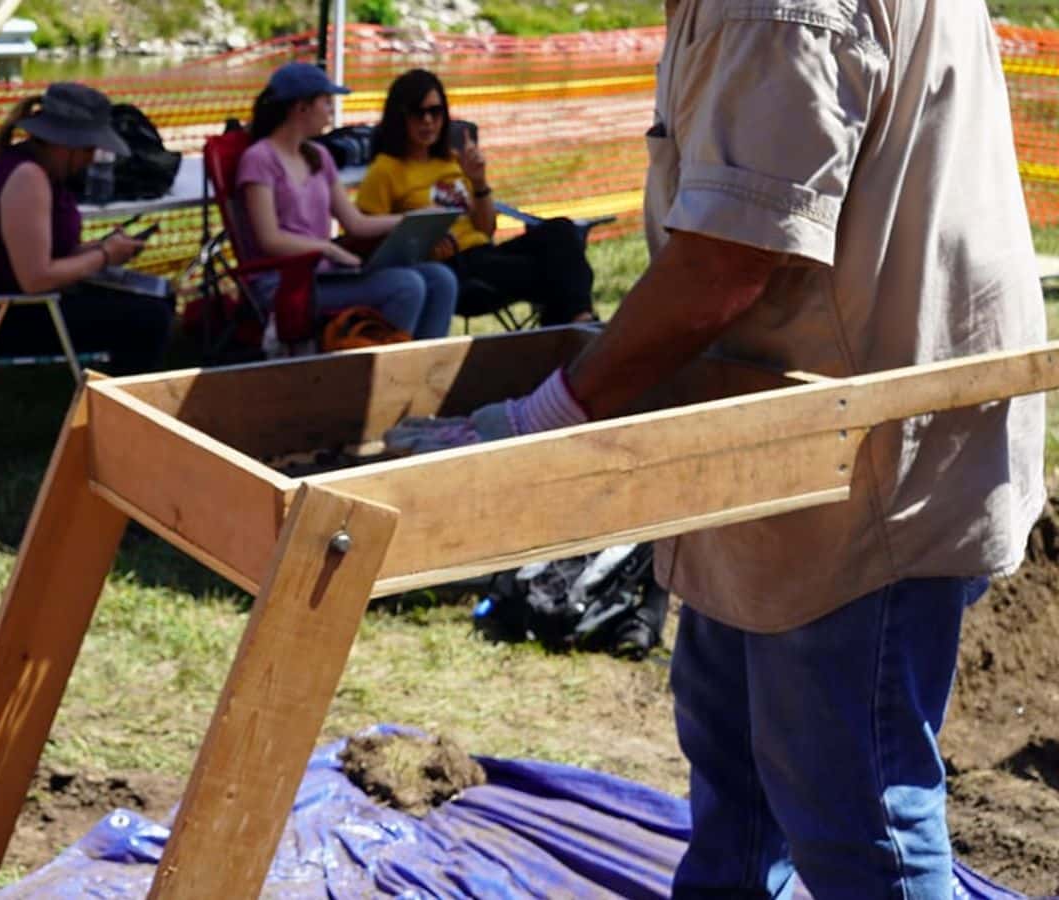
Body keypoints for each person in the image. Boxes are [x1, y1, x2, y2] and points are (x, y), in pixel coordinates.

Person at [388, 2, 1045, 896]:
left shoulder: (773, 7)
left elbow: (729, 259)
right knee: (736, 782)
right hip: (777, 439)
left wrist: (547, 413)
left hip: (858, 459)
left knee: (859, 824)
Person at [0, 82, 172, 374]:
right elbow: (36, 278)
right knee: (150, 315)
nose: (91, 158)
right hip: (7, 319)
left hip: (30, 305)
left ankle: (118, 393)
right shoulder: (28, 178)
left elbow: (49, 252)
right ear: (68, 143)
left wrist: (100, 248)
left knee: (159, 296)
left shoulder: (42, 172)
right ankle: (120, 405)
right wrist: (104, 256)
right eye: (89, 148)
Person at [356, 68, 595, 327]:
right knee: (561, 274)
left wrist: (479, 182)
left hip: (484, 254)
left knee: (560, 230)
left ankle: (574, 325)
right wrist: (421, 241)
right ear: (400, 117)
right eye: (418, 113)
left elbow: (486, 228)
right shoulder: (386, 170)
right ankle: (578, 328)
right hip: (450, 269)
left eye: (435, 112)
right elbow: (368, 244)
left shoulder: (451, 160)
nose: (427, 121)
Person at [236, 62, 458, 341]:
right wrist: (326, 249)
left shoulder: (318, 155)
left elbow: (355, 223)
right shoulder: (259, 159)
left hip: (325, 274)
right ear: (301, 107)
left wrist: (413, 220)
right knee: (406, 285)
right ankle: (378, 373)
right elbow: (269, 239)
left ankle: (427, 372)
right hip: (285, 282)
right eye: (326, 101)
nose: (331, 109)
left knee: (441, 279)